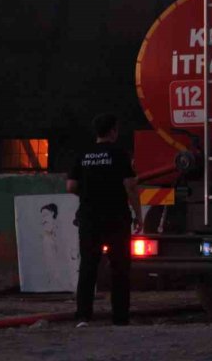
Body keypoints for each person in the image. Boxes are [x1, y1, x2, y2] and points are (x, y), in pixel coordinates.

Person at [66, 114, 142, 326]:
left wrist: (90, 192)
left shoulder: (82, 155)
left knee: (89, 266)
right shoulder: (119, 154)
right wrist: (138, 215)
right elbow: (130, 186)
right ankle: (119, 317)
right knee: (119, 268)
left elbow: (70, 186)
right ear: (113, 131)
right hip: (117, 218)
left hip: (89, 218)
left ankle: (83, 316)